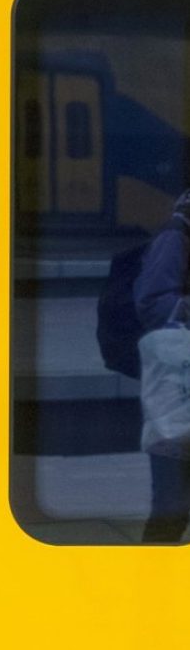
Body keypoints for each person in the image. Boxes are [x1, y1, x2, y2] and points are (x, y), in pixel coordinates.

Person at [134, 189, 190, 541]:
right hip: (179, 387)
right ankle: (150, 585)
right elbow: (152, 304)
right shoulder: (176, 237)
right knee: (172, 505)